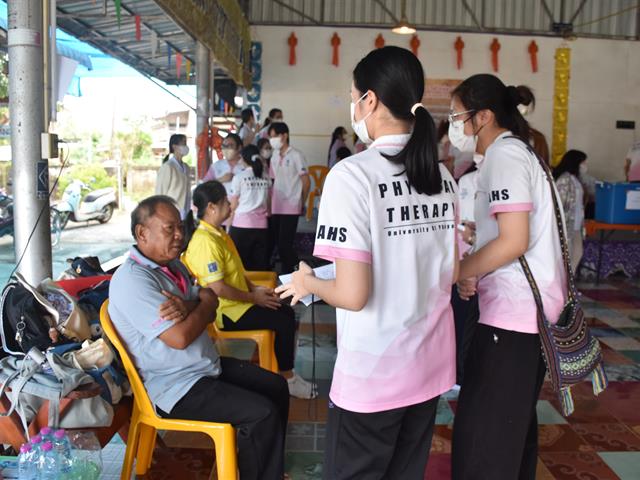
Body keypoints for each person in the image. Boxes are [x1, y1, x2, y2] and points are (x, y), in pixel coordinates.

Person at [277, 46, 457, 479]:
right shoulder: (442, 175)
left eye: (354, 96)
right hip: (429, 366)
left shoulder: (352, 175)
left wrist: (309, 283)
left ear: (371, 100)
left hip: (376, 373)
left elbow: (353, 294)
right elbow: (443, 269)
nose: (354, 106)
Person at [108, 195, 289, 480]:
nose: (180, 235)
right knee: (261, 413)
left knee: (276, 386)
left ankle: (267, 469)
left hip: (202, 367)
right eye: (170, 229)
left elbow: (208, 296)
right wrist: (202, 305)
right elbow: (180, 336)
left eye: (180, 227)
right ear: (142, 233)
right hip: (175, 386)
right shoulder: (133, 281)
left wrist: (195, 305)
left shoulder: (173, 266)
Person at [450, 74, 568, 480]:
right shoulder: (518, 154)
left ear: (483, 116)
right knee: (510, 432)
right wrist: (475, 277)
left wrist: (459, 271)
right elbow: (507, 240)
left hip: (513, 322)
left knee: (486, 441)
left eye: (458, 117)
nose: (456, 128)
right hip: (516, 315)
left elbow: (514, 240)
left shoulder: (506, 156)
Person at [183, 181, 317, 399]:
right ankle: (288, 378)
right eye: (226, 201)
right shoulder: (204, 242)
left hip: (240, 302)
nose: (230, 205)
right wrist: (254, 298)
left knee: (285, 311)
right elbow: (217, 289)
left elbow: (237, 273)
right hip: (226, 312)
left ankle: (286, 372)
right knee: (283, 320)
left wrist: (257, 290)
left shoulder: (218, 233)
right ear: (211, 207)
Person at [268, 122, 310, 274]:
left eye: (274, 136)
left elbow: (306, 181)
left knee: (285, 244)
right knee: (280, 245)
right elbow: (272, 181)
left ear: (284, 136)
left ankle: (299, 271)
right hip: (275, 205)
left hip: (291, 206)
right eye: (270, 136)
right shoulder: (273, 155)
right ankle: (288, 276)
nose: (272, 139)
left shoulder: (296, 155)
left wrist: (301, 202)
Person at [228, 145, 271, 271]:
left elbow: (233, 205)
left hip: (241, 226)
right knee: (260, 266)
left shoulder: (239, 177)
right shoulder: (266, 176)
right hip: (262, 227)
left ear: (244, 159)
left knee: (241, 266)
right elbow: (268, 202)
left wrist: (229, 225)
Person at [554, 150, 588, 272]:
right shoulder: (564, 179)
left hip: (577, 224)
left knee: (577, 253)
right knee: (565, 257)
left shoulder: (576, 180)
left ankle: (569, 284)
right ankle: (564, 286)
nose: (585, 165)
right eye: (583, 162)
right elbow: (558, 204)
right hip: (566, 225)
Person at [155, 134, 191, 220]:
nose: (186, 147)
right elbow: (160, 192)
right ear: (174, 147)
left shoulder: (186, 167)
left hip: (185, 212)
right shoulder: (168, 167)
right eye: (183, 144)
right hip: (170, 211)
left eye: (186, 144)